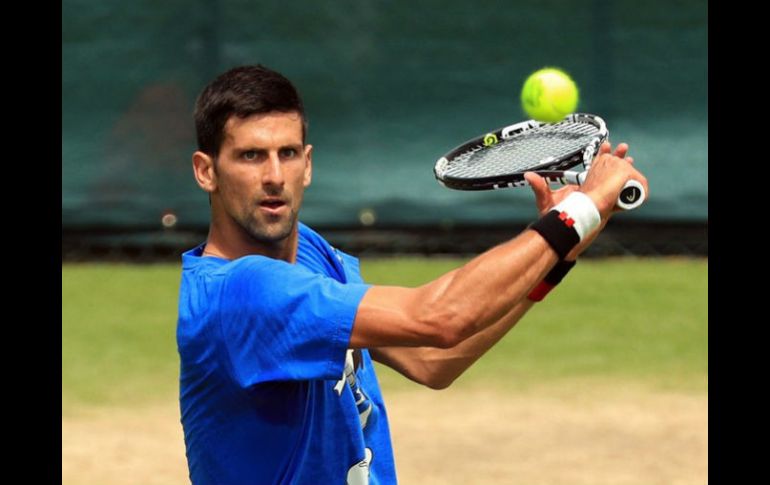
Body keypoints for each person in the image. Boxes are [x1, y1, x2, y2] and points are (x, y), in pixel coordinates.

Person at [177, 64, 648, 485]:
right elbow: (439, 318)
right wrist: (580, 209)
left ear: (309, 164)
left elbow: (430, 359)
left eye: (288, 153)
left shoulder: (310, 253)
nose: (275, 175)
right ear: (206, 171)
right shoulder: (240, 293)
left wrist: (560, 252)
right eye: (251, 156)